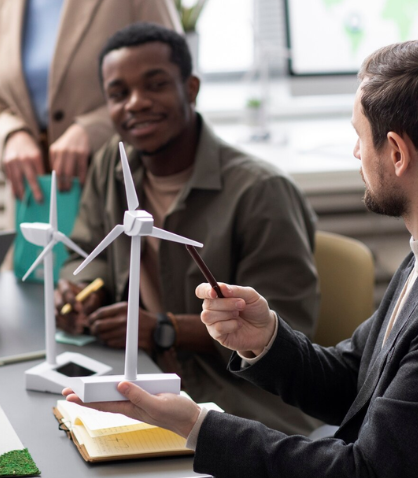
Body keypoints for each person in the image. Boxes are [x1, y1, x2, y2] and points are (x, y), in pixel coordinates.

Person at [65, 39, 418, 477]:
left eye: (359, 136)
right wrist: (265, 341)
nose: (355, 154)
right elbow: (356, 380)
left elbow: (363, 471)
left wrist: (195, 425)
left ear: (396, 153)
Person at [56, 23, 322, 435]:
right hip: (139, 380)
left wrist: (166, 329)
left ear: (191, 88)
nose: (136, 103)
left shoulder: (261, 191)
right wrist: (82, 293)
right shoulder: (113, 164)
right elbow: (85, 250)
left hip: (237, 403)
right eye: (118, 93)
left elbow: (285, 329)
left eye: (155, 85)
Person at [0, 0, 181, 201]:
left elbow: (175, 85)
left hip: (118, 191)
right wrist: (10, 135)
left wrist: (91, 131)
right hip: (33, 198)